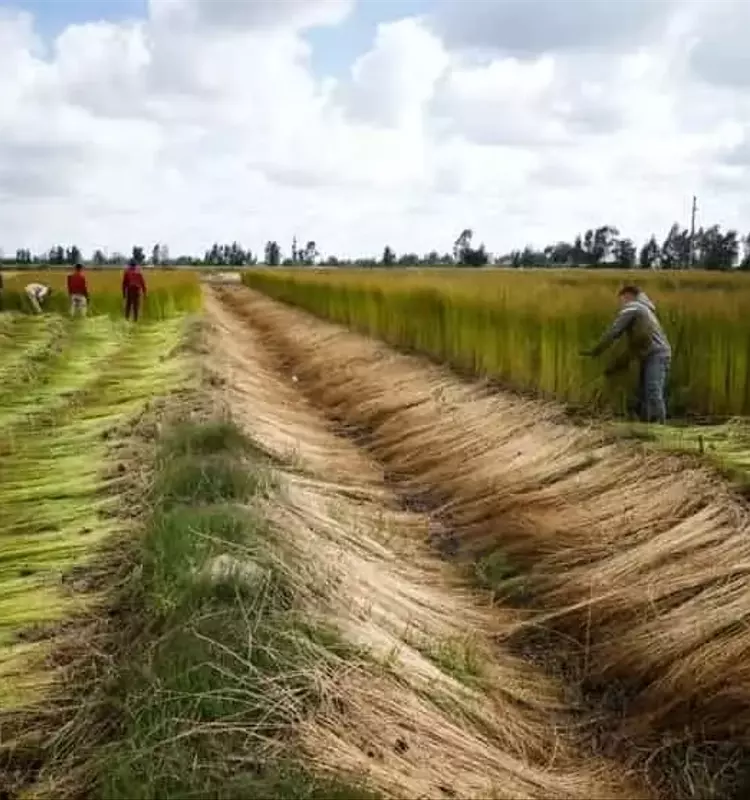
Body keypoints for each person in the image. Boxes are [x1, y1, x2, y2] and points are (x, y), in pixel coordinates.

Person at [581, 284, 672, 423]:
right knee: (644, 393)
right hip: (651, 354)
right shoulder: (645, 309)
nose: (621, 304)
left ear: (627, 296)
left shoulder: (633, 307)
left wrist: (596, 349)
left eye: (621, 299)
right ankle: (648, 426)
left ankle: (661, 428)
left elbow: (614, 331)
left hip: (656, 354)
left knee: (653, 391)